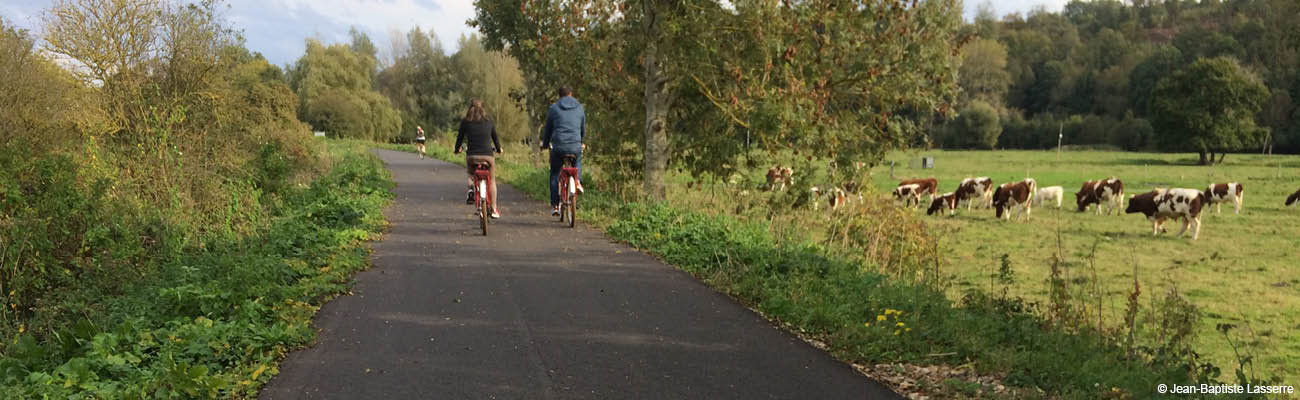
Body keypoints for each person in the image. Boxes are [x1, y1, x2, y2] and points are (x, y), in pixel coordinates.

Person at [540, 86, 585, 216]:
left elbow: (548, 129)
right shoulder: (580, 107)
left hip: (558, 146)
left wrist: (545, 143)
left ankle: (555, 205)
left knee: (554, 173)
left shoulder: (553, 108)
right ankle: (577, 181)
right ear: (571, 94)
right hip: (575, 145)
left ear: (559, 96)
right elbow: (582, 128)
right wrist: (581, 142)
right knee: (577, 160)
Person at [454, 99, 503, 219]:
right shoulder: (489, 121)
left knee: (470, 173)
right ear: (483, 109)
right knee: (491, 180)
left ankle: (471, 188)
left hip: (472, 156)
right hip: (487, 156)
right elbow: (495, 139)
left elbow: (459, 138)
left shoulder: (466, 121)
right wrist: (499, 149)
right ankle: (494, 208)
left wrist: (457, 149)